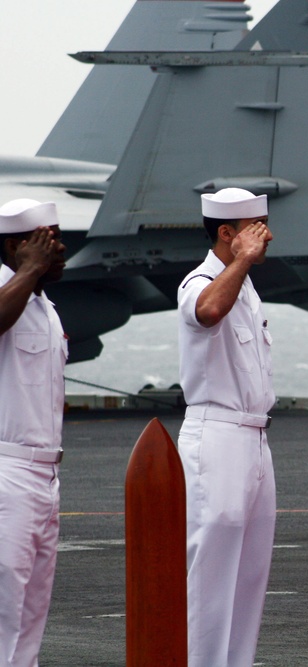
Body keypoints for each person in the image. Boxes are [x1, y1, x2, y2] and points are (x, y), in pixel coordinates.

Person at [176, 187, 276, 667]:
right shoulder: (200, 281)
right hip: (216, 436)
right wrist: (242, 262)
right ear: (227, 234)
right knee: (212, 574)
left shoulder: (247, 287)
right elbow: (208, 312)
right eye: (256, 228)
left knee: (250, 574)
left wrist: (243, 265)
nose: (267, 236)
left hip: (255, 437)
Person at [0, 199, 67, 667]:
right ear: (17, 247)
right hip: (6, 470)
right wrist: (27, 271)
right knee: (4, 604)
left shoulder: (45, 306)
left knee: (30, 610)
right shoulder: (9, 290)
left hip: (45, 476)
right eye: (47, 240)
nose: (59, 249)